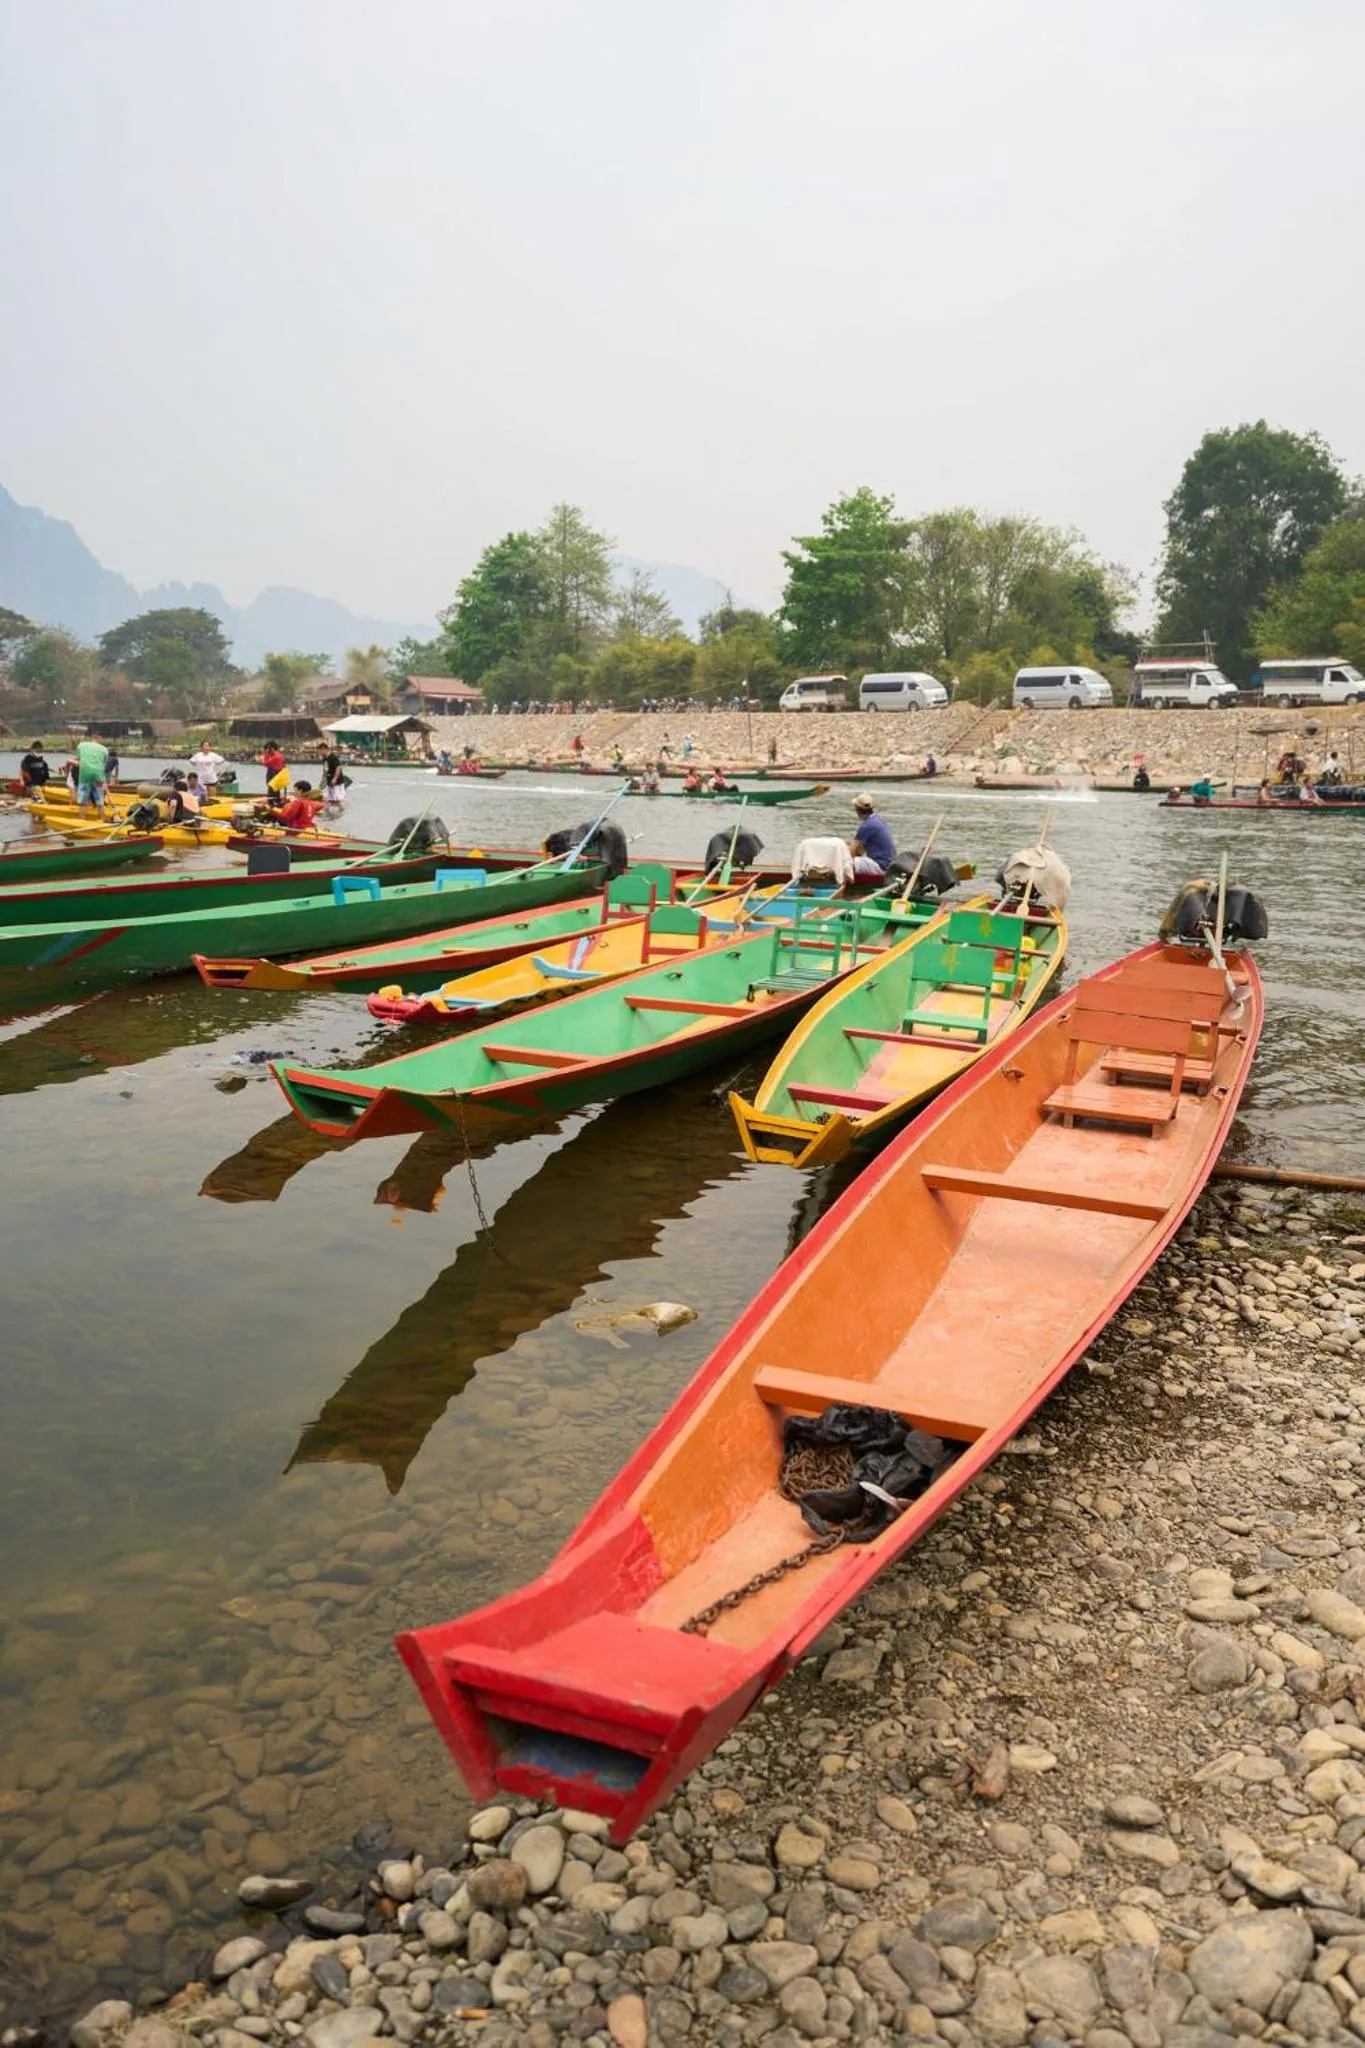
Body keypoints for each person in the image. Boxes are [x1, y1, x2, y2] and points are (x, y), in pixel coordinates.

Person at [848, 793, 895, 877]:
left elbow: (852, 852)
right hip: (888, 865)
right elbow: (860, 850)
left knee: (846, 861)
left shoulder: (867, 826)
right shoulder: (879, 820)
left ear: (857, 809)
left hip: (880, 866)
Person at [75, 731, 110, 809]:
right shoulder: (105, 749)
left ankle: (82, 819)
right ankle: (102, 819)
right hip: (98, 774)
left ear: (92, 738)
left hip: (85, 774)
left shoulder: (82, 745)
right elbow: (103, 765)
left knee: (83, 802)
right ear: (99, 739)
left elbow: (77, 759)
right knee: (100, 801)